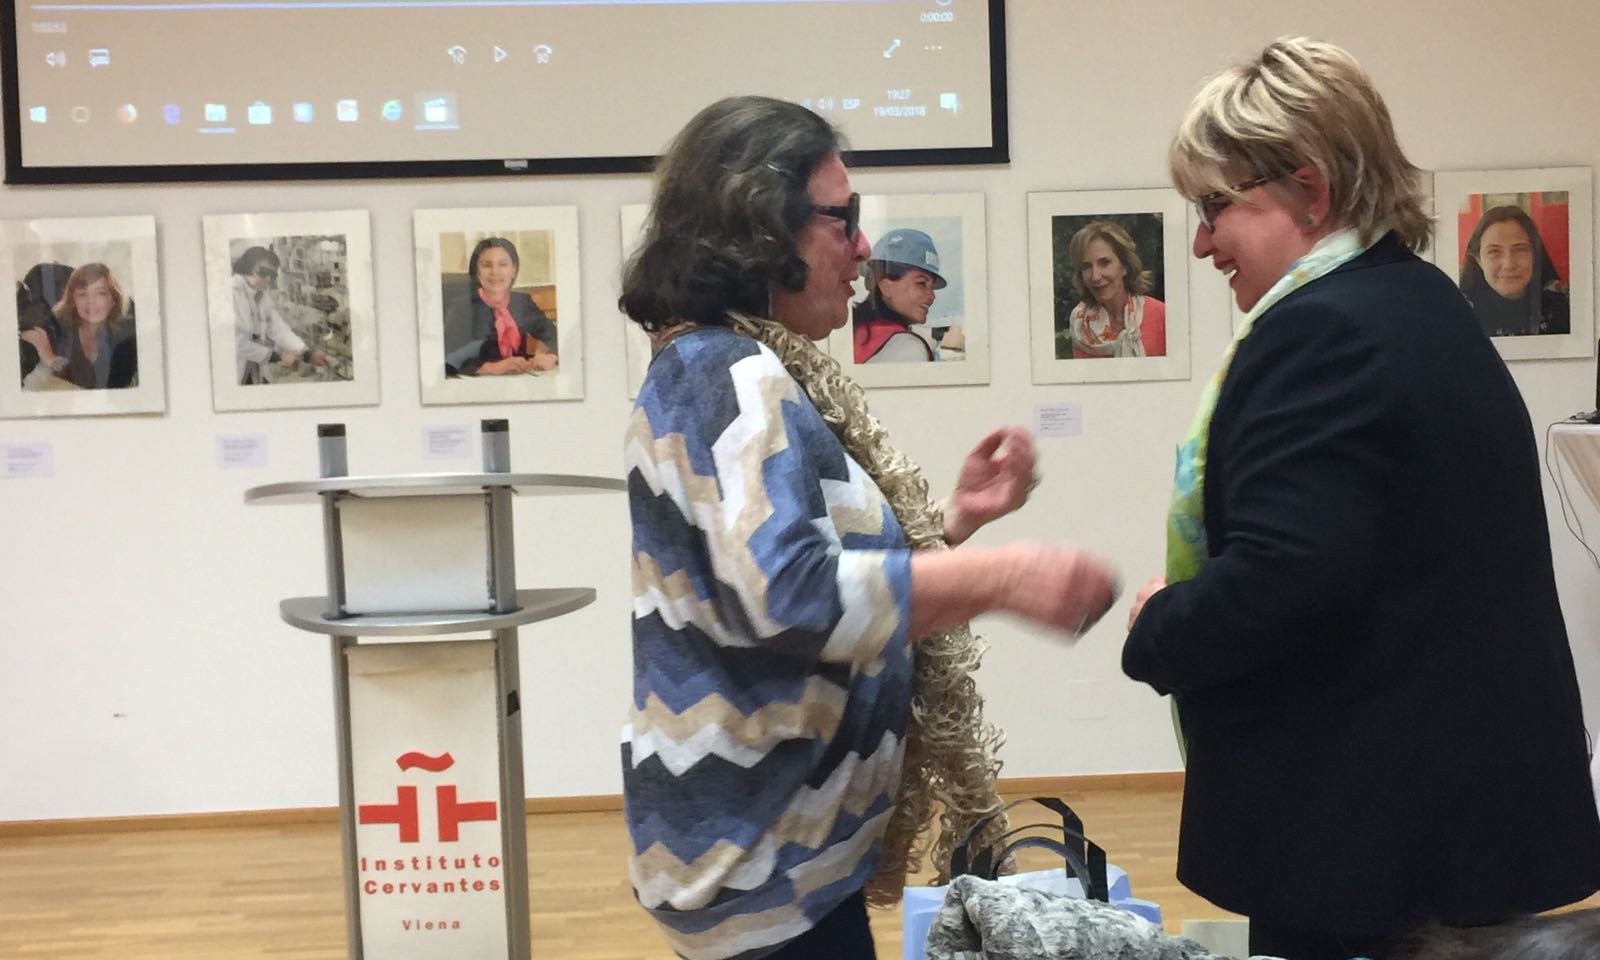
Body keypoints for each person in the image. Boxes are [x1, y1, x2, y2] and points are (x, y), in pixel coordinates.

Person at [1122, 37, 1600, 960]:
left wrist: (1160, 623)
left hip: (1369, 844)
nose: (1201, 242)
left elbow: (1285, 580)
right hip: (1448, 819)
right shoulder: (1419, 303)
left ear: (1310, 189)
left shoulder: (1322, 332)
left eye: (1215, 206)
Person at [620, 95, 1118, 960]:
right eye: (841, 219)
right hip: (761, 876)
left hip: (784, 862)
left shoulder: (734, 366)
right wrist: (1002, 579)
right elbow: (790, 594)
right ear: (760, 226)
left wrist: (955, 522)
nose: (861, 249)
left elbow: (792, 570)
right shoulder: (720, 371)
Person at [442, 236, 559, 376]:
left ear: (513, 270)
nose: (495, 272)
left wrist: (550, 356)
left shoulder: (522, 302)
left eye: (503, 264)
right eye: (487, 265)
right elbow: (447, 360)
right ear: (477, 272)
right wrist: (491, 367)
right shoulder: (462, 307)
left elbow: (555, 336)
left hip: (519, 382)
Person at [18, 262, 138, 390]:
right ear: (73, 300)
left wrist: (51, 359)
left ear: (113, 299)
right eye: (82, 294)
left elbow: (106, 391)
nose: (91, 302)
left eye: (100, 293)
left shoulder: (126, 344)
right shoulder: (56, 329)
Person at [1458, 205, 1571, 337]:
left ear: (1535, 256)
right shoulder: (1462, 315)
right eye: (1494, 252)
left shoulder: (1559, 310)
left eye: (1520, 250)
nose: (1508, 264)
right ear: (1478, 260)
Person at [1064, 220, 1167, 358]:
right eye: (1086, 266)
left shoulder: (1161, 315)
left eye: (1104, 263)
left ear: (1124, 266)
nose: (1095, 276)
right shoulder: (1080, 324)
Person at [231, 246, 331, 385]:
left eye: (273, 275)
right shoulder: (231, 294)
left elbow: (278, 329)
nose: (269, 279)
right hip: (234, 368)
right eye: (264, 272)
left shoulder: (260, 296)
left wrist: (308, 354)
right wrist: (278, 356)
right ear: (248, 267)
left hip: (253, 368)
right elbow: (237, 343)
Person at [852, 227, 943, 363]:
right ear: (886, 286)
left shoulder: (854, 334)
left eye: (932, 287)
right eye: (922, 283)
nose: (932, 296)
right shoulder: (908, 347)